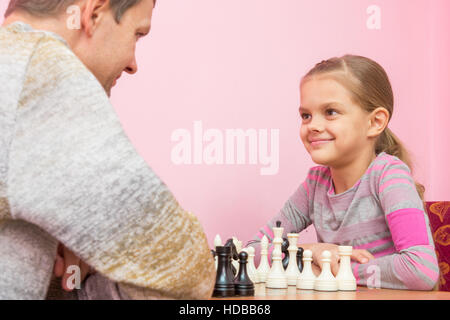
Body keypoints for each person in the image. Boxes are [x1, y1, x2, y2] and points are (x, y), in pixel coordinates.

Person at [0, 0, 215, 299]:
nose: (133, 64)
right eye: (137, 34)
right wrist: (103, 264)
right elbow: (186, 272)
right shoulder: (36, 72)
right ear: (94, 13)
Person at [249, 55, 439, 290]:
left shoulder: (389, 176)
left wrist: (331, 270)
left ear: (375, 122)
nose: (313, 125)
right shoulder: (315, 184)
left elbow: (420, 269)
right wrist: (306, 252)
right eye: (306, 115)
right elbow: (252, 250)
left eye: (330, 112)